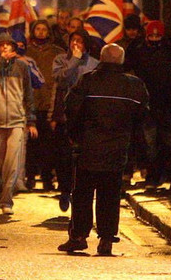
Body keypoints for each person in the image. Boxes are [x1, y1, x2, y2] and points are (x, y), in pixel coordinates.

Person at [59, 44, 148, 256]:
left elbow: (71, 108)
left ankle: (79, 236)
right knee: (110, 195)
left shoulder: (88, 80)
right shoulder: (133, 86)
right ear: (121, 61)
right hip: (117, 149)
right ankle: (106, 239)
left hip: (88, 148)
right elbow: (142, 116)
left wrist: (75, 136)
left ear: (101, 58)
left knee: (82, 194)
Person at [0, 32, 37, 215]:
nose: (5, 48)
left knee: (12, 164)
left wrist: (31, 120)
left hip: (17, 121)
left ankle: (6, 200)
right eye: (1, 45)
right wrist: (0, 62)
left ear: (13, 47)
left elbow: (28, 95)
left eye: (8, 45)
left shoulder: (22, 67)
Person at [124, 19, 171, 188]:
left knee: (168, 141)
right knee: (150, 143)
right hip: (148, 104)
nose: (155, 39)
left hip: (168, 103)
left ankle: (165, 175)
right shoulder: (137, 49)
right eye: (152, 35)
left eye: (158, 36)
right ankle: (153, 176)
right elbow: (127, 69)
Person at [50, 30, 97, 211]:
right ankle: (64, 189)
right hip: (65, 116)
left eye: (80, 41)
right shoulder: (61, 60)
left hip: (85, 117)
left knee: (81, 157)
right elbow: (61, 80)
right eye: (73, 40)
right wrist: (74, 60)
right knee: (63, 157)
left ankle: (79, 191)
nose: (76, 44)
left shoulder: (93, 64)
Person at [25, 19, 65, 192]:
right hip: (31, 104)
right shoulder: (26, 52)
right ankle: (30, 177)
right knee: (31, 145)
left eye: (44, 29)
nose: (41, 32)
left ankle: (47, 178)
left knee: (49, 146)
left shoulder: (57, 52)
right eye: (38, 29)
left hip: (49, 103)